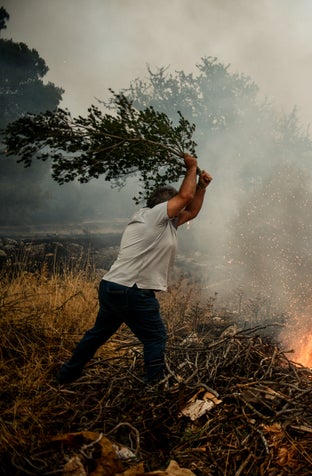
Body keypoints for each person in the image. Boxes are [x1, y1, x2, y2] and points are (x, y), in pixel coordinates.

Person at [55, 153, 213, 385]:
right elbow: (185, 196)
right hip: (133, 290)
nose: (183, 209)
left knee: (98, 334)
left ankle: (66, 375)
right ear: (165, 206)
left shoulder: (162, 221)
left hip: (113, 287)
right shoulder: (154, 217)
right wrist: (192, 168)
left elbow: (193, 210)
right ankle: (155, 385)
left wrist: (202, 186)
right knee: (155, 336)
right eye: (178, 206)